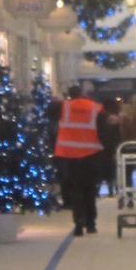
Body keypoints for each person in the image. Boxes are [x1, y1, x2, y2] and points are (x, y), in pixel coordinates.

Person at [52, 83, 105, 236]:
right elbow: (103, 131)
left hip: (68, 155)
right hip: (91, 154)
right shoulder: (95, 107)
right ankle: (91, 224)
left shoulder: (63, 107)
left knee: (76, 191)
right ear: (82, 93)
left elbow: (49, 112)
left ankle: (78, 223)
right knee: (90, 190)